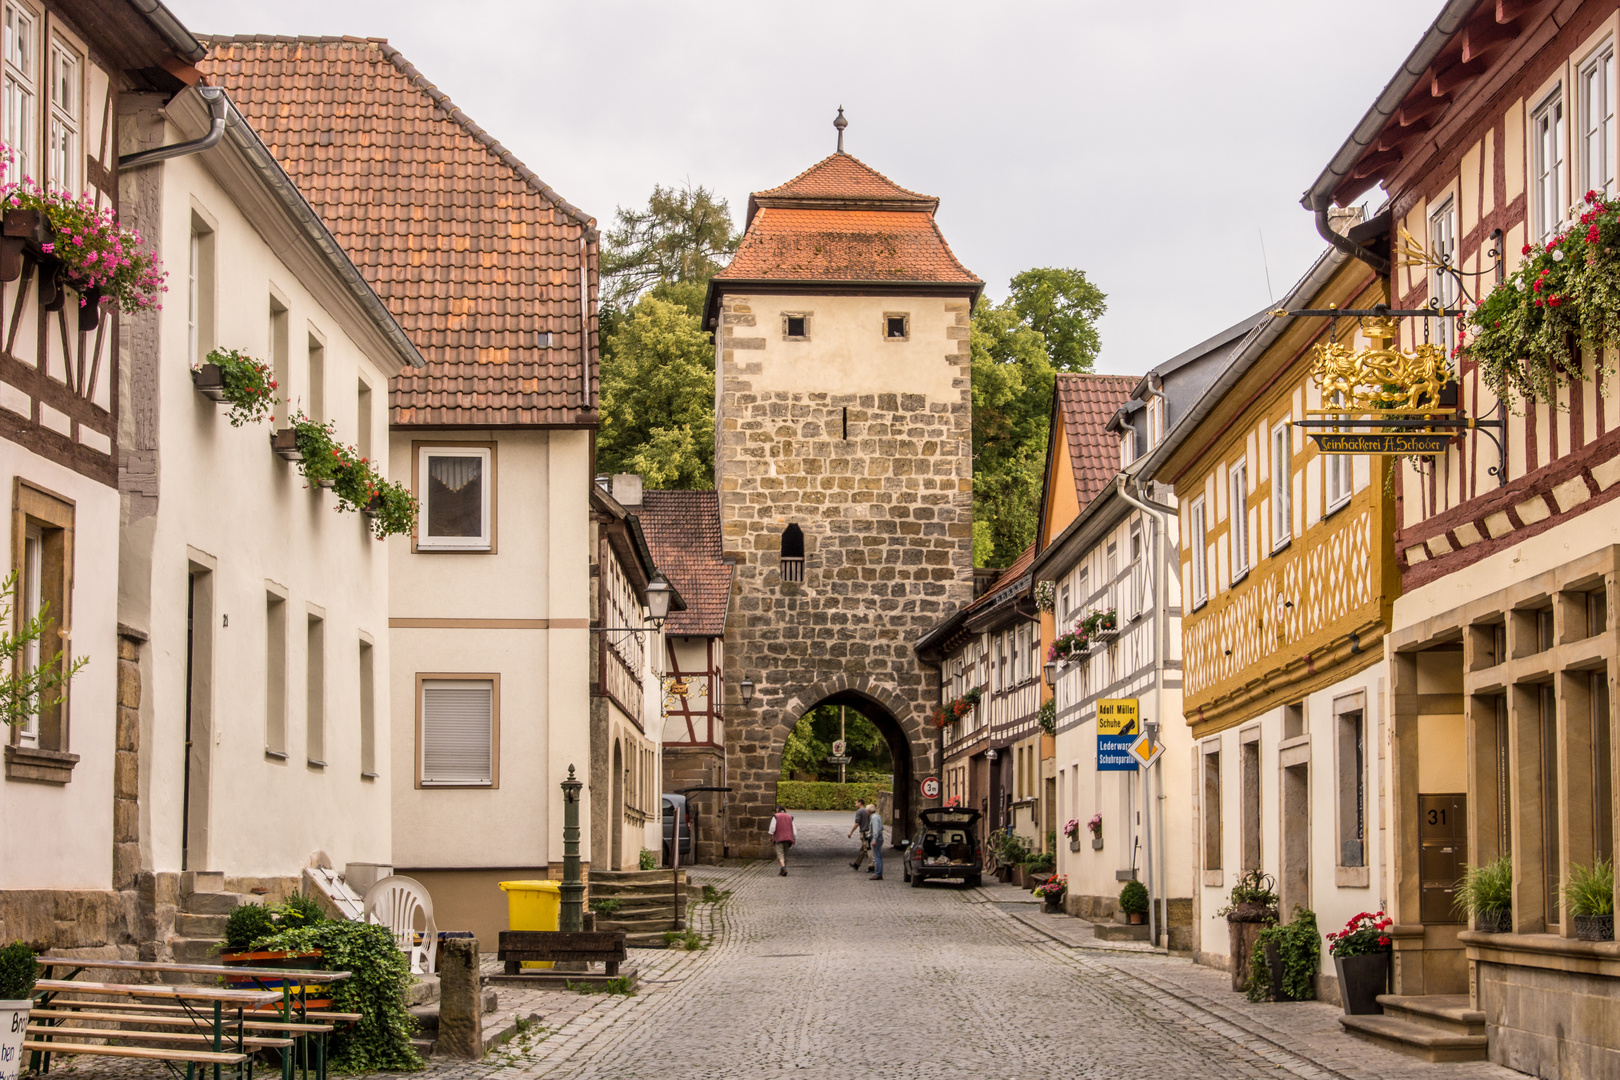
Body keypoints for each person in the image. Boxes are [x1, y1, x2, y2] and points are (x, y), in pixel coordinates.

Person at [767, 805, 795, 876]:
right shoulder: (789, 817)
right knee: (785, 854)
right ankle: (782, 869)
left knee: (780, 854)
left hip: (779, 838)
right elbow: (793, 829)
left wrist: (770, 836)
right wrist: (794, 838)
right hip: (788, 838)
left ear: (778, 810)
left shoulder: (776, 816)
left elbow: (772, 828)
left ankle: (783, 867)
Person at [848, 802, 871, 871]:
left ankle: (871, 865)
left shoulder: (859, 812)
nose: (855, 804)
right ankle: (856, 864)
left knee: (867, 849)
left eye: (856, 803)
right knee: (863, 849)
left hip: (864, 832)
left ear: (860, 803)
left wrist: (851, 832)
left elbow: (857, 823)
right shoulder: (868, 810)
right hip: (869, 831)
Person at [866, 804, 884, 880]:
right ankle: (879, 873)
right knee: (878, 856)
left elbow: (876, 830)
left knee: (877, 857)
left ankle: (878, 874)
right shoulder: (877, 816)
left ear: (868, 811)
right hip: (878, 837)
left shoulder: (874, 818)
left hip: (877, 838)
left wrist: (874, 840)